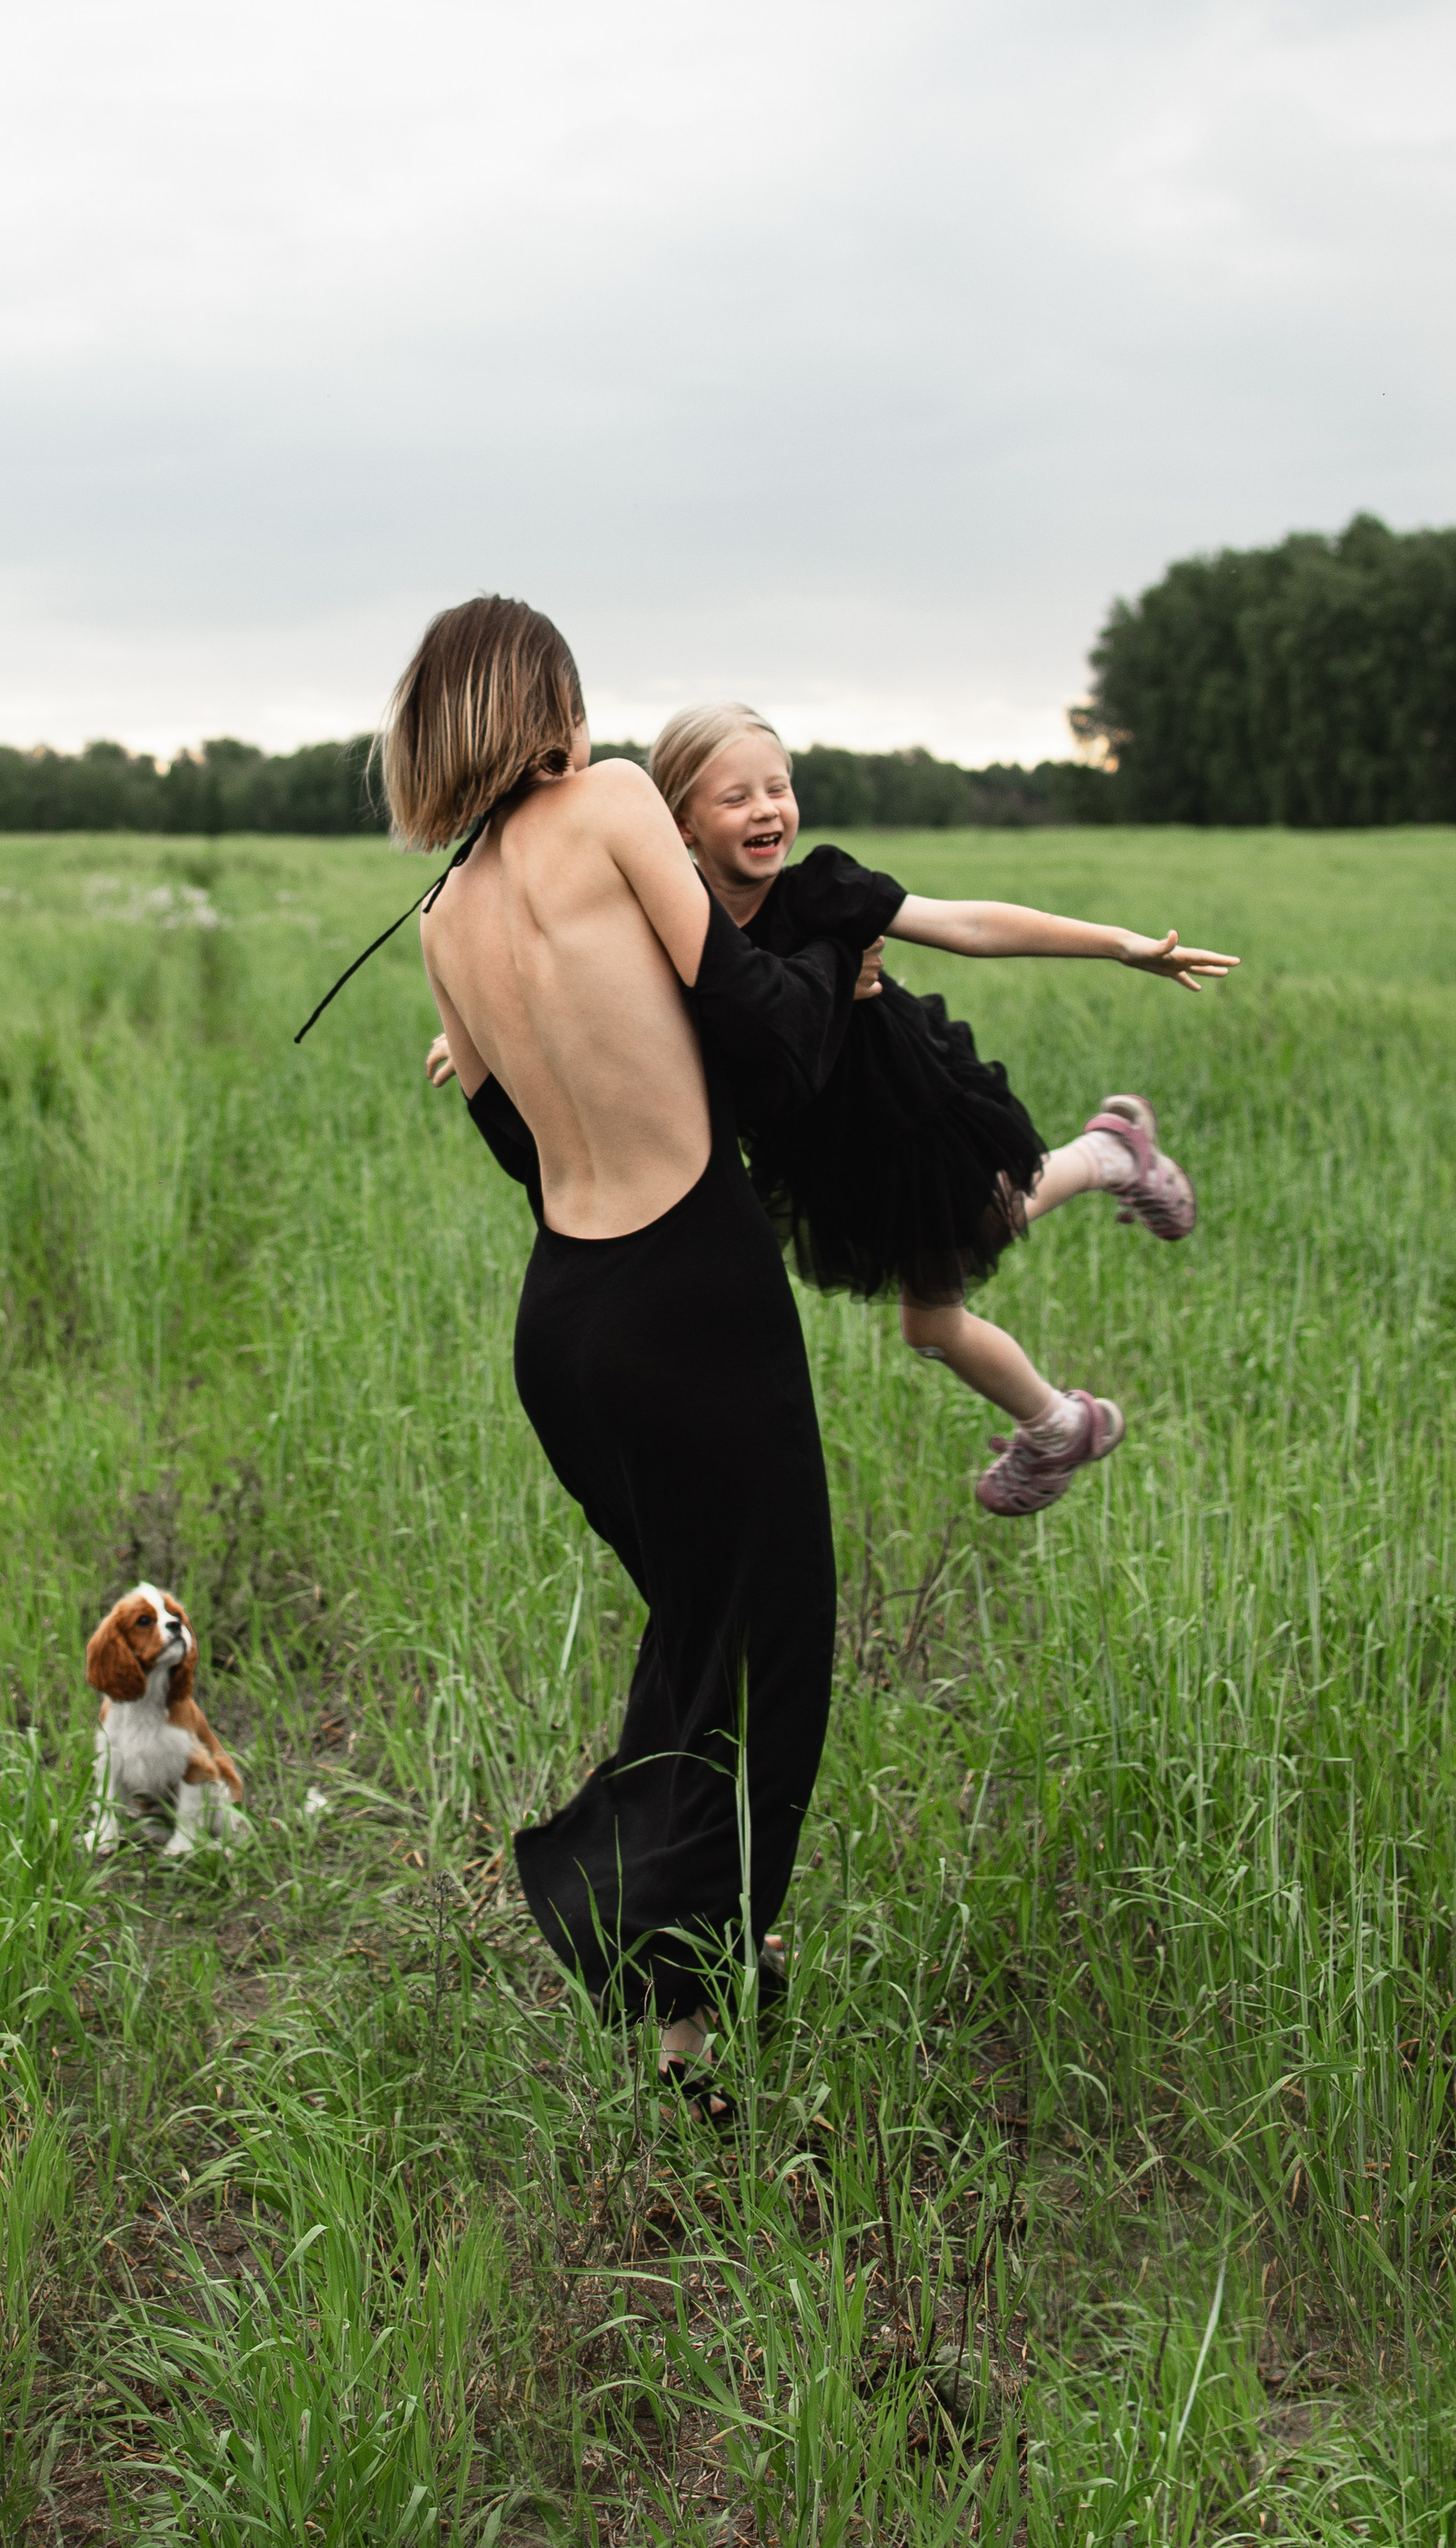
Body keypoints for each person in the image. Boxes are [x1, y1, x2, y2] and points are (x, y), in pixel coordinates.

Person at [389, 599, 847, 2092]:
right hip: (691, 1288)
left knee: (698, 1638)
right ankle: (676, 1982)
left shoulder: (442, 918)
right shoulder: (611, 804)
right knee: (770, 1652)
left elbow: (520, 1151)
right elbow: (761, 1030)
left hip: (568, 1324)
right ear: (551, 702)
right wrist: (845, 928)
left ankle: (708, 1951)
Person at [643, 704, 1237, 1516]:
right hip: (816, 1143)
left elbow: (965, 923)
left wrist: (1119, 944)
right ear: (680, 821)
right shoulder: (670, 917)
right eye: (735, 797)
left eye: (778, 788)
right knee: (937, 1314)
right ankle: (1107, 1179)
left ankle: (1066, 1410)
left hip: (903, 1110)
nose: (767, 810)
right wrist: (475, 1043)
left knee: (953, 1275)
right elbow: (594, 990)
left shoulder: (822, 889)